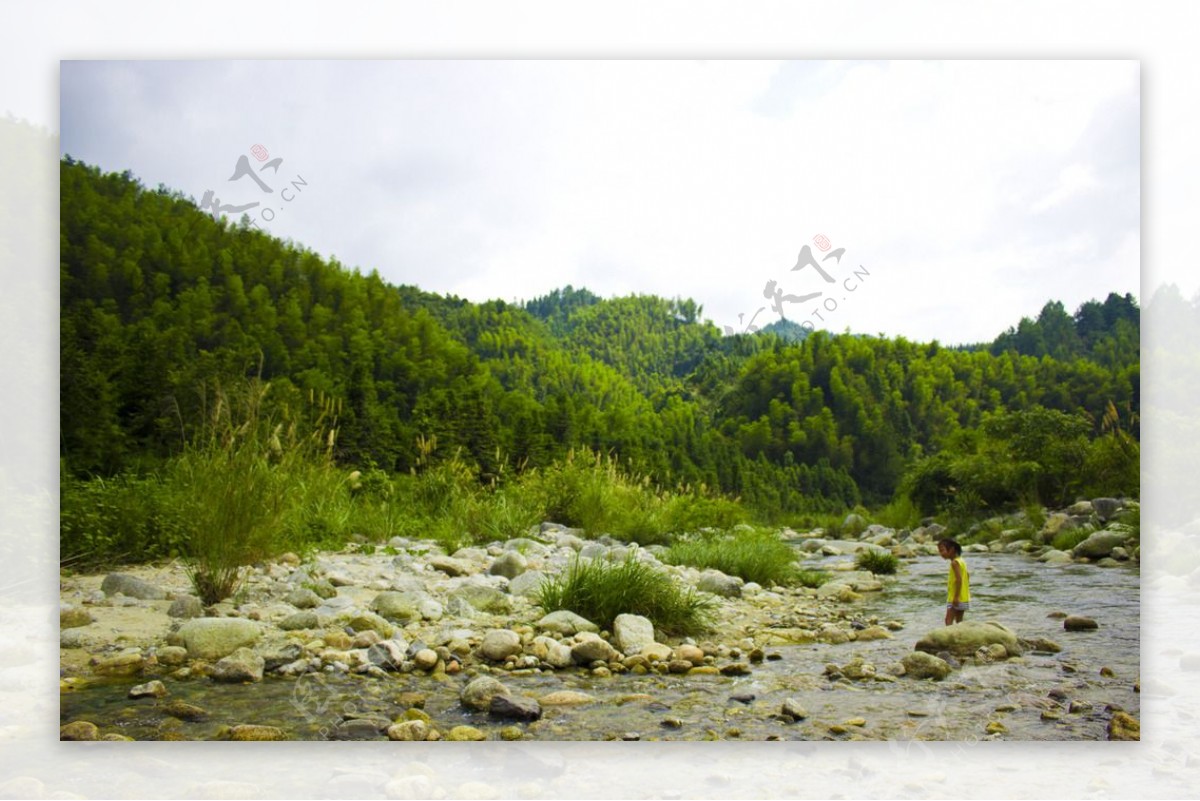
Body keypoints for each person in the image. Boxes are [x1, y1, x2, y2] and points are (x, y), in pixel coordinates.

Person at [937, 537, 970, 625]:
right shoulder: (961, 561)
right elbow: (967, 575)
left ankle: (949, 638)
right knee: (959, 621)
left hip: (955, 598)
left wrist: (956, 597)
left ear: (951, 549)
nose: (941, 554)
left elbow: (959, 580)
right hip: (964, 597)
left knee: (948, 620)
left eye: (942, 550)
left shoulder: (954, 563)